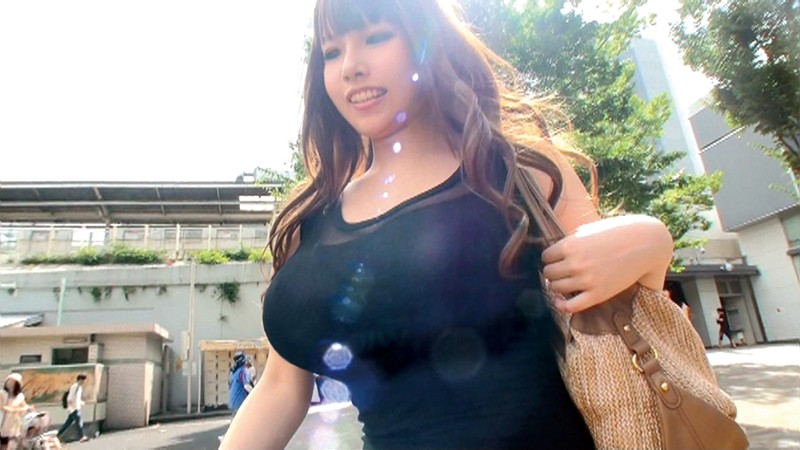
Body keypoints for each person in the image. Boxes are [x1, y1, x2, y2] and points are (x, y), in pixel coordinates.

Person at [220, 1, 674, 448]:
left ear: (425, 43)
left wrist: (653, 242)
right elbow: (281, 389)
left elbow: (616, 309)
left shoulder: (518, 170)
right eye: (331, 51)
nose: (350, 67)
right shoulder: (313, 222)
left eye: (375, 37)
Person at [1, 373, 31, 450]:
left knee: (8, 444)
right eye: (9, 380)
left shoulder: (20, 396)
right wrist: (15, 410)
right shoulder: (2, 393)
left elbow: (24, 406)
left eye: (13, 381)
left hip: (12, 424)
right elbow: (2, 407)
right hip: (2, 421)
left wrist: (28, 408)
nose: (10, 383)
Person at [56, 374, 89, 444]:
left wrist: (81, 402)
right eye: (83, 380)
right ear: (80, 380)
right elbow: (70, 398)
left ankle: (57, 435)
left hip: (75, 408)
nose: (84, 382)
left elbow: (76, 398)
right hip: (74, 409)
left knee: (67, 424)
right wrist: (70, 407)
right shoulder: (75, 387)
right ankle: (82, 436)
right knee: (79, 422)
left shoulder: (79, 388)